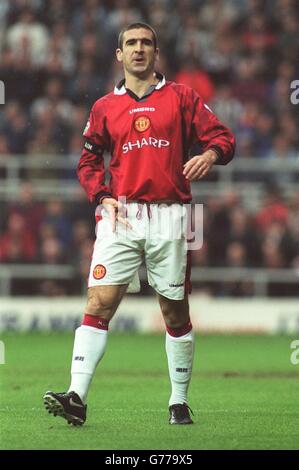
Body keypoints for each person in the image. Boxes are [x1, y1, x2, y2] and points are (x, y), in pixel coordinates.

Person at [43, 23, 235, 426]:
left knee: (174, 311)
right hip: (121, 215)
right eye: (131, 43)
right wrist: (101, 196)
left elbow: (223, 137)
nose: (138, 49)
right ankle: (76, 395)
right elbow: (88, 161)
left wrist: (211, 156)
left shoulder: (182, 97)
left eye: (146, 43)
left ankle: (178, 401)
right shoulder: (104, 107)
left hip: (171, 215)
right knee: (98, 302)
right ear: (119, 54)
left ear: (156, 52)